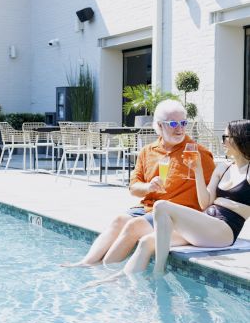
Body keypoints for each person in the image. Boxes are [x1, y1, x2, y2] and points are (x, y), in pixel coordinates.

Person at [62, 100, 215, 268]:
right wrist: (148, 187)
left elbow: (210, 197)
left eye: (183, 123)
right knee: (119, 220)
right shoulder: (148, 151)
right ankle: (87, 263)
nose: (179, 129)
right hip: (148, 208)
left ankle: (106, 270)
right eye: (173, 123)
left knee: (133, 226)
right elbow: (133, 187)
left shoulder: (197, 153)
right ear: (159, 126)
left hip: (174, 215)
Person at [117, 119, 250, 276]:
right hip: (205, 222)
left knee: (161, 206)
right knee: (147, 241)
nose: (222, 141)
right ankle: (122, 277)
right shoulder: (223, 167)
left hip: (224, 230)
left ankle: (159, 271)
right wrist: (197, 170)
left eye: (225, 137)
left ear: (239, 138)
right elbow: (204, 203)